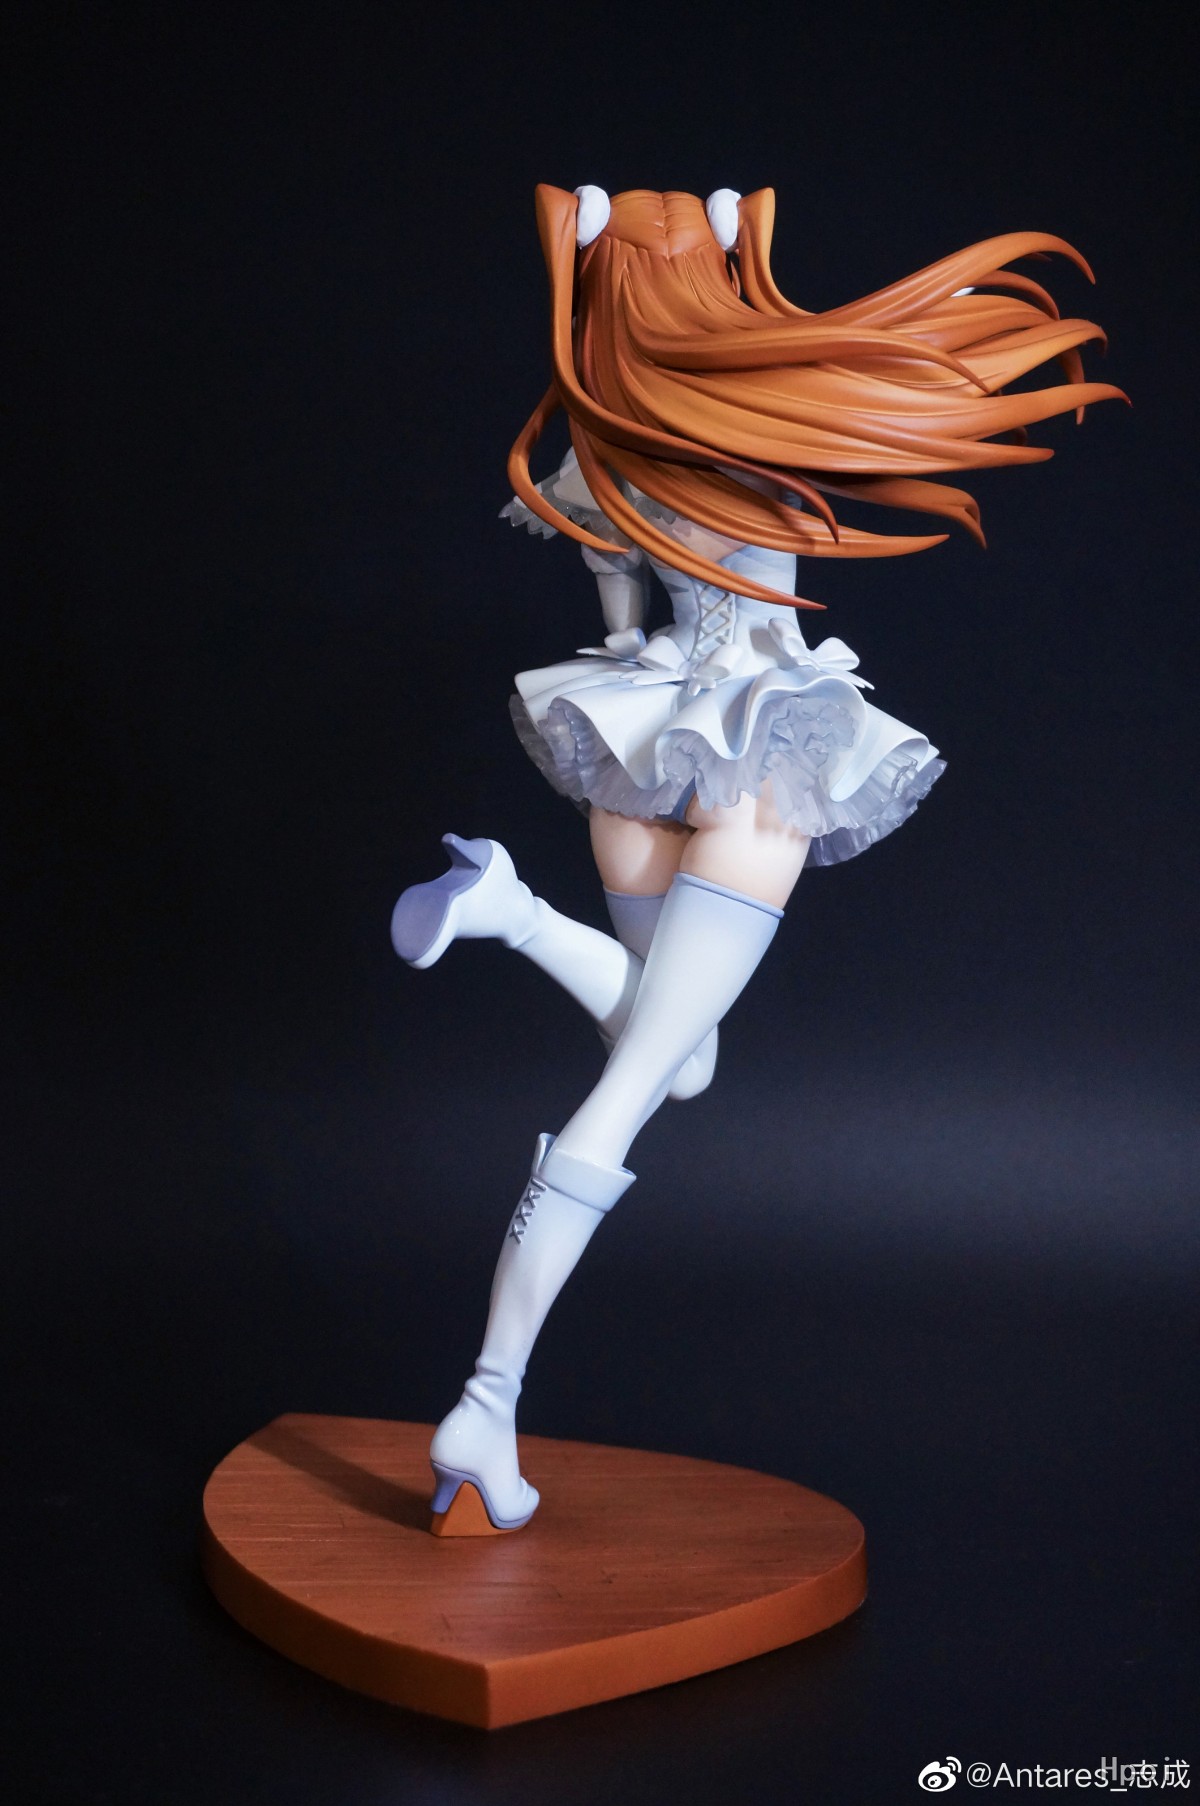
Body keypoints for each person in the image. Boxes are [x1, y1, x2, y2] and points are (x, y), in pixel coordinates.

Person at [391, 184, 1124, 1532]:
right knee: (631, 1094)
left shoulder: (606, 456)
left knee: (684, 1064)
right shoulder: (760, 440)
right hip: (760, 754)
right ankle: (485, 1403)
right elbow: (783, 593)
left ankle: (509, 906)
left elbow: (623, 631)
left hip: (638, 752)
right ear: (709, 288)